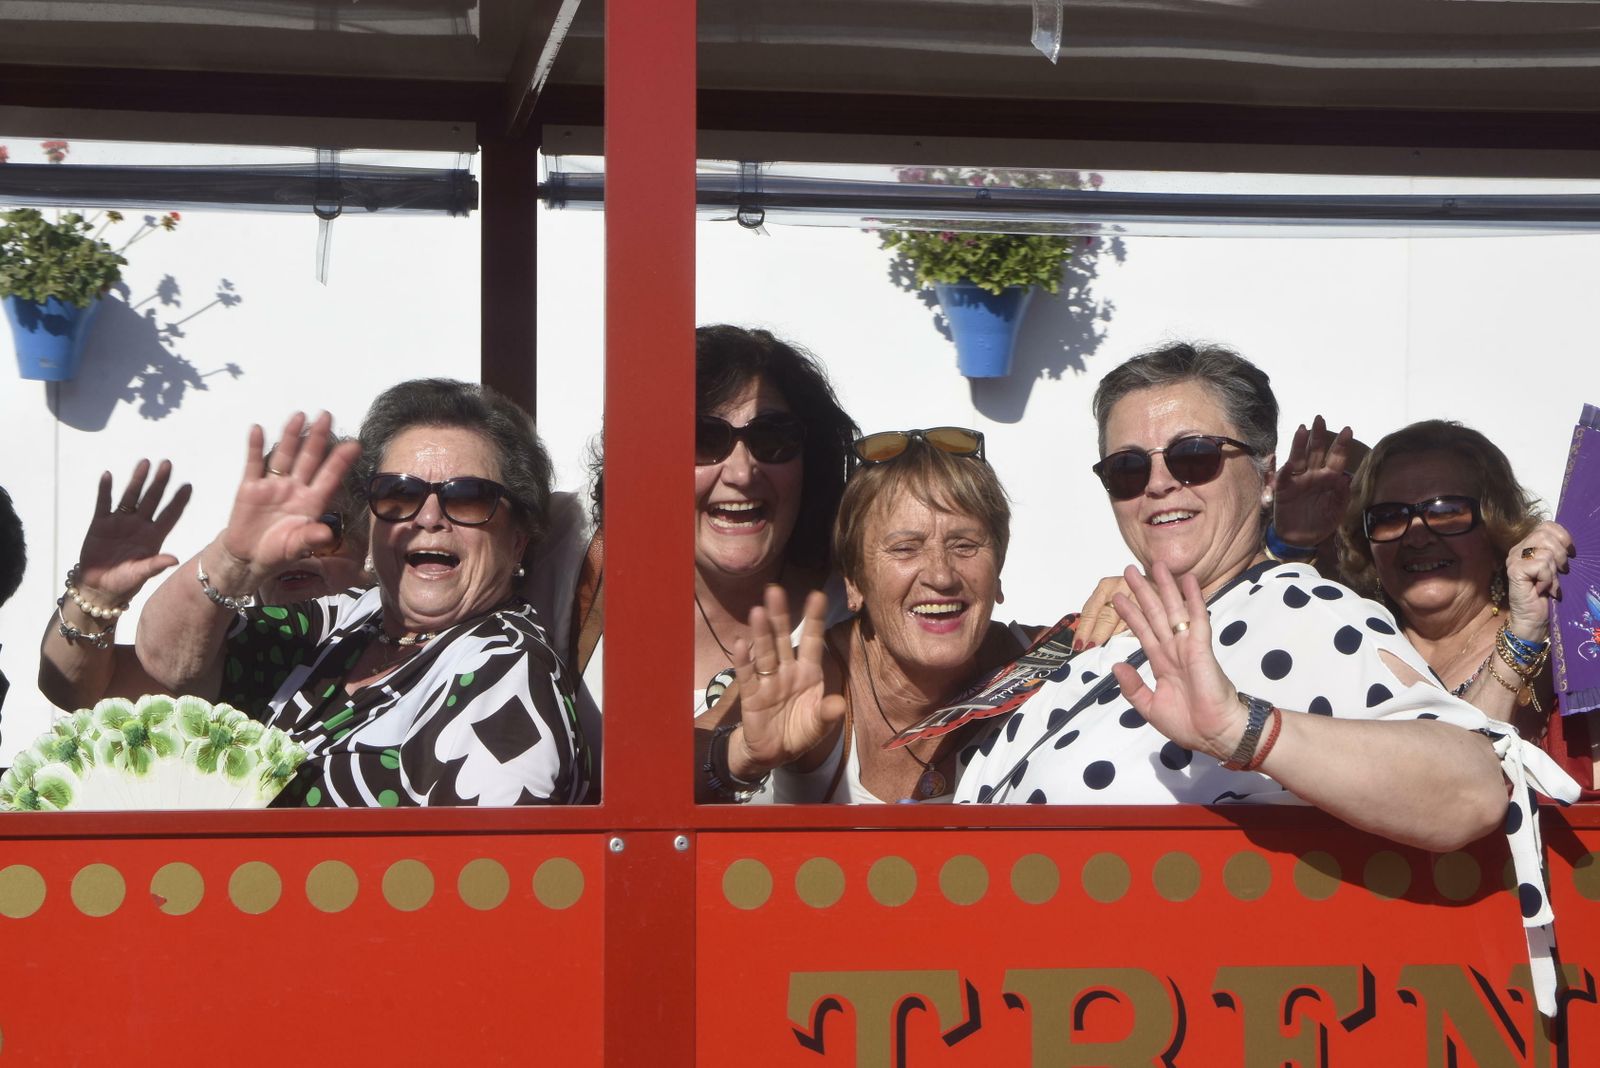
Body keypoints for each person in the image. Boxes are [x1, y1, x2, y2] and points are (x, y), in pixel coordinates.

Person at [943, 342, 1575, 1013]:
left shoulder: (1305, 610)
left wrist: (1244, 729)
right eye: (1127, 468)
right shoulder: (1108, 629)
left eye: (1193, 457)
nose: (1158, 484)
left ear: (1265, 472)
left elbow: (1474, 787)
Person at [134, 380, 585, 806]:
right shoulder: (351, 617)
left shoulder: (505, 672)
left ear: (518, 538)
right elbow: (169, 661)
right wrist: (233, 557)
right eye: (398, 494)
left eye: (467, 497)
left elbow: (491, 877)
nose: (427, 518)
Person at [696, 427, 1023, 803]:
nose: (941, 576)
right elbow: (659, 780)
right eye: (905, 548)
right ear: (854, 584)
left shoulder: (1047, 661)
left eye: (965, 545)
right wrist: (740, 757)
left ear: (997, 570)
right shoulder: (816, 677)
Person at [1334, 420, 1591, 795]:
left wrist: (1523, 635)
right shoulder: (1347, 647)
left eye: (1446, 510)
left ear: (1496, 528)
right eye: (1390, 516)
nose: (1417, 535)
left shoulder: (1561, 649)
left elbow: (1454, 788)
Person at [37, 448, 370, 713]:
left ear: (372, 546)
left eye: (323, 530)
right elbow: (76, 692)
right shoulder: (243, 649)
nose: (294, 548)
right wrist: (96, 595)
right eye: (274, 530)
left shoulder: (405, 640)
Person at [691, 326, 858, 715]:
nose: (742, 472)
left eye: (772, 437)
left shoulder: (861, 610)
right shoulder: (573, 557)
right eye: (703, 437)